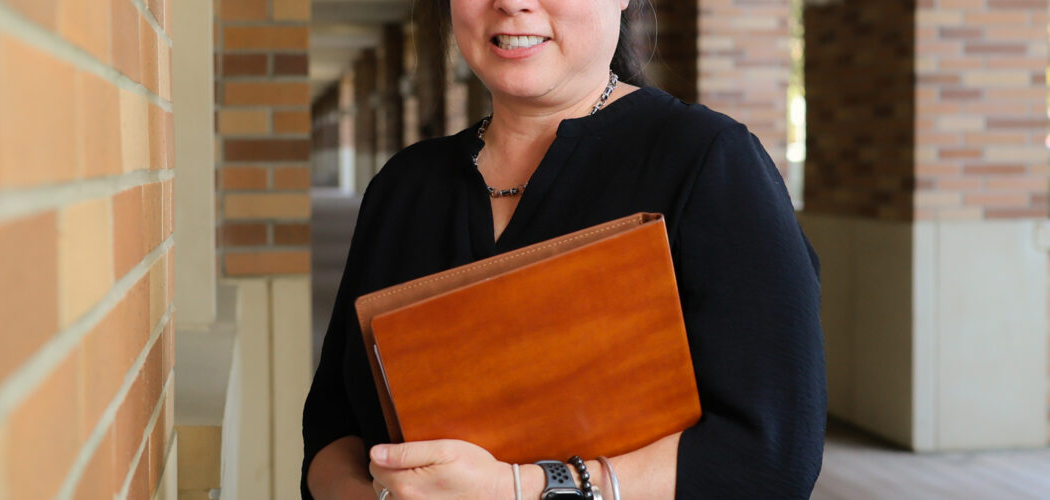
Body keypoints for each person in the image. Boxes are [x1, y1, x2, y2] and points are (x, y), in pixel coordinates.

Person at [300, 0, 827, 499]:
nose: (512, 3)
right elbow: (332, 426)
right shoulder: (403, 186)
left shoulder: (709, 163)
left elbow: (771, 455)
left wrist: (520, 488)